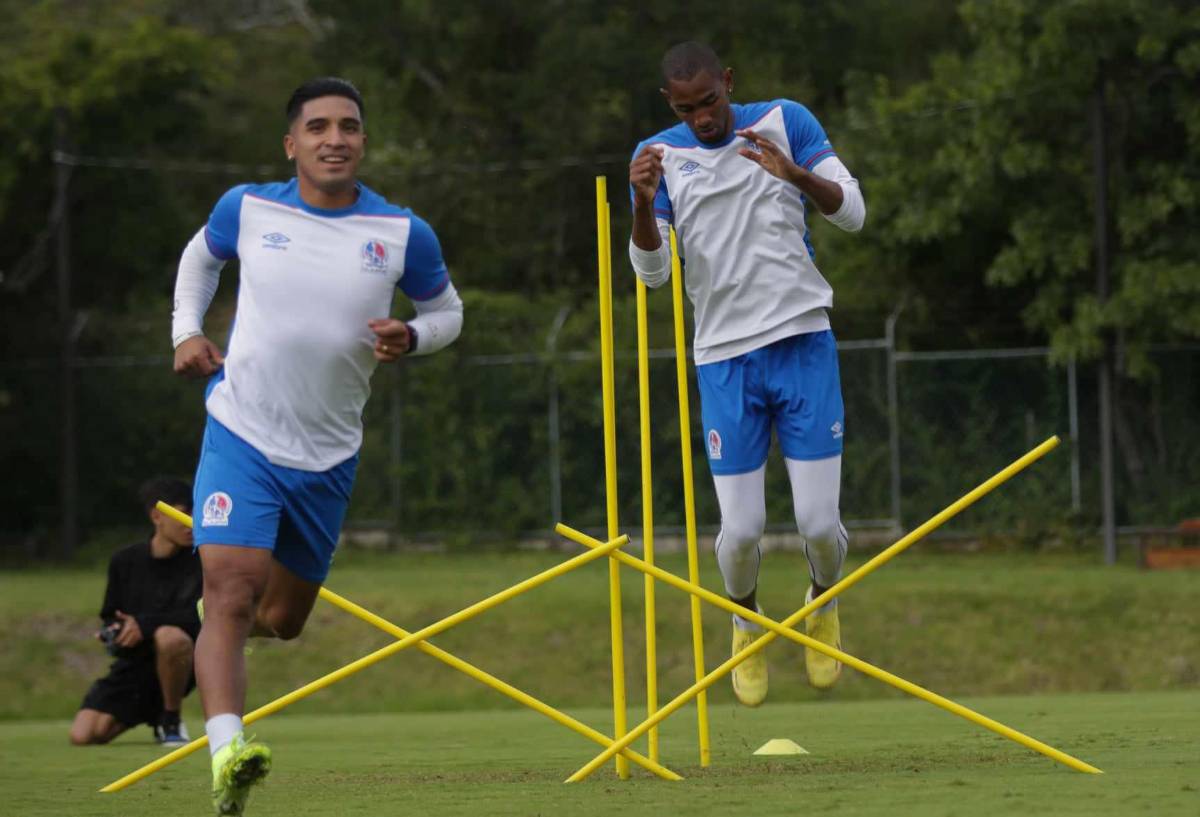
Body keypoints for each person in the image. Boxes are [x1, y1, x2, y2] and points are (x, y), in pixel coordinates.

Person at [170, 77, 463, 816]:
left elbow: (448, 312)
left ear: (363, 141)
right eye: (319, 127)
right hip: (241, 431)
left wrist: (413, 335)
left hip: (328, 456)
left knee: (281, 620)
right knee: (229, 593)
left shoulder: (402, 232)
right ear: (290, 143)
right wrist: (186, 331)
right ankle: (228, 753)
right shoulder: (247, 207)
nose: (335, 139)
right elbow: (200, 258)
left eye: (349, 127)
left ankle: (226, 627)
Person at [628, 42, 866, 707]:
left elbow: (853, 212)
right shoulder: (656, 156)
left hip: (803, 341)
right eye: (687, 108)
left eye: (710, 101)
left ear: (728, 82)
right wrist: (643, 204)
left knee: (817, 522)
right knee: (740, 532)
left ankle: (823, 601)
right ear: (670, 104)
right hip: (724, 359)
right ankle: (745, 620)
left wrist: (794, 174)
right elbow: (653, 276)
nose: (703, 118)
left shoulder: (786, 121)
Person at [70, 477, 201, 747]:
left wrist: (145, 625)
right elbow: (111, 614)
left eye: (195, 514)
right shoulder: (124, 561)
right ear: (157, 516)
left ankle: (171, 720)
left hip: (185, 660)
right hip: (137, 664)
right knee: (85, 735)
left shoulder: (202, 560)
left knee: (170, 637)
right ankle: (155, 712)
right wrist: (114, 631)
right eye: (183, 514)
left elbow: (201, 617)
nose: (191, 522)